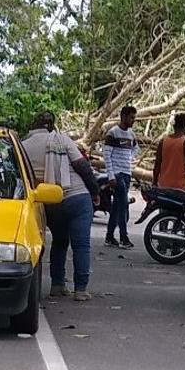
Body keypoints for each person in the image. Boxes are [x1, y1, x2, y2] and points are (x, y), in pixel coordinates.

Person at [21, 111, 100, 301]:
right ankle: (80, 289)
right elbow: (82, 166)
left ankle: (57, 285)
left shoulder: (23, 146)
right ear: (51, 125)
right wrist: (96, 193)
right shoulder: (61, 140)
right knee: (81, 245)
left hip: (51, 201)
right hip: (77, 197)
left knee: (59, 242)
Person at [102, 106, 139, 248]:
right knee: (123, 204)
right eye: (131, 117)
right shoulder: (113, 133)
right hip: (117, 174)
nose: (133, 120)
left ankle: (109, 236)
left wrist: (129, 158)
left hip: (126, 173)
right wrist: (111, 175)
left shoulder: (131, 134)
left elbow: (135, 148)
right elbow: (107, 156)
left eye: (134, 117)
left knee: (117, 206)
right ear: (123, 117)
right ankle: (124, 238)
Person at [152, 113, 185, 193]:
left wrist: (154, 182)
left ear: (174, 126)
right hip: (179, 188)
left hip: (163, 186)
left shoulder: (163, 141)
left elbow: (157, 164)